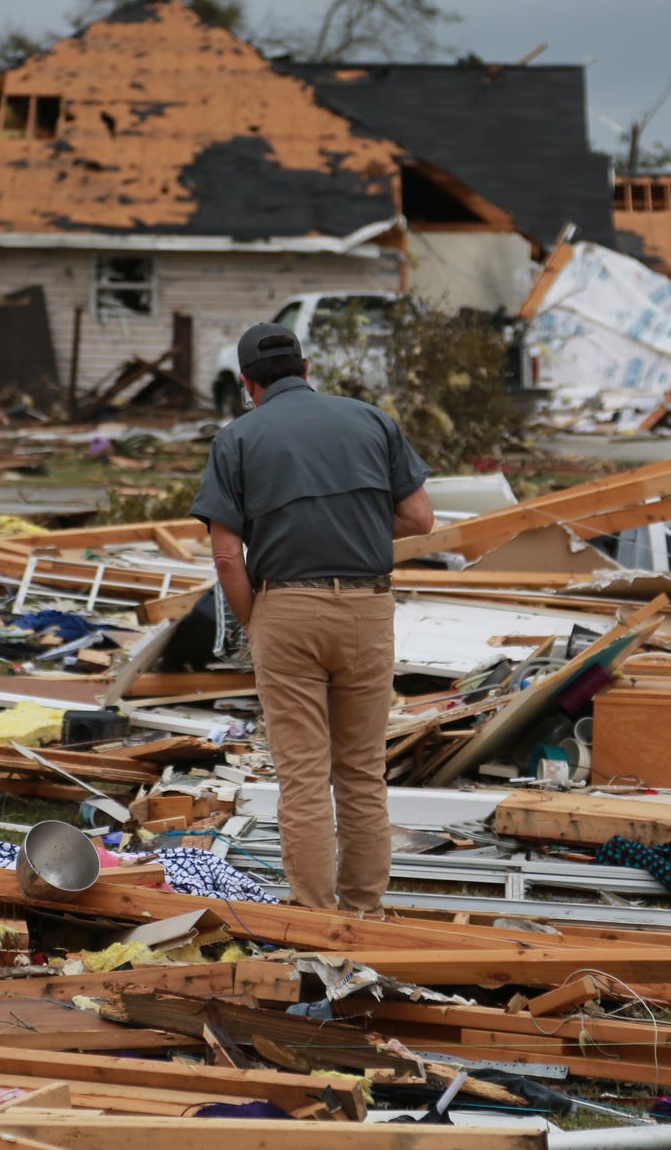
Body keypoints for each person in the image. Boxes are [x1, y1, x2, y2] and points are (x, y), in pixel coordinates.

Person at [190, 322, 434, 911]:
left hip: (285, 608)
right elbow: (420, 518)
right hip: (366, 609)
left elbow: (228, 555)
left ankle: (316, 919)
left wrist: (257, 622)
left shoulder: (238, 438)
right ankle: (365, 913)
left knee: (302, 778)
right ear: (305, 370)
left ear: (249, 384)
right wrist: (356, 526)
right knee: (361, 775)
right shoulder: (372, 420)